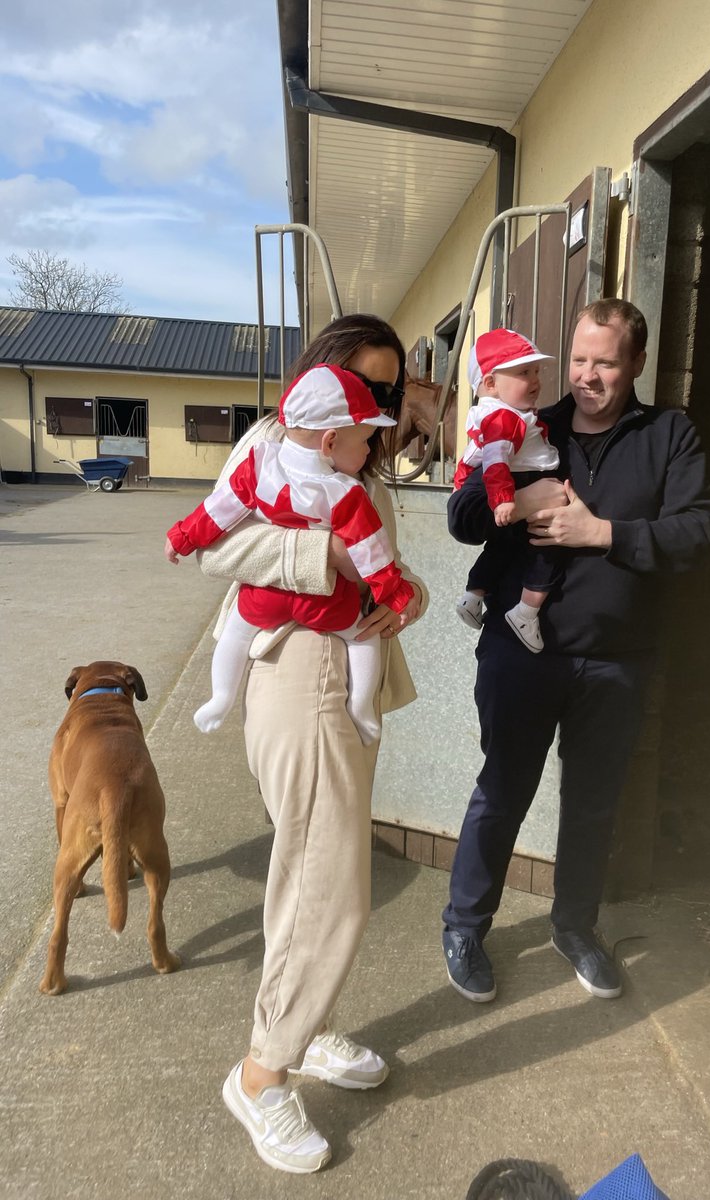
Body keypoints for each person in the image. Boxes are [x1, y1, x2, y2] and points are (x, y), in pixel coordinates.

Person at [194, 315, 427, 1174]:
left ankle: (308, 1023)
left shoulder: (362, 455)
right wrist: (324, 550)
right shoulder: (269, 442)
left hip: (346, 673)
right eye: (365, 383)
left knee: (308, 873)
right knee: (329, 887)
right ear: (324, 375)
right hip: (299, 671)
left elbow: (388, 566)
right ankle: (262, 1075)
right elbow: (217, 543)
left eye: (389, 389)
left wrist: (406, 598)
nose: (378, 403)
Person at [442, 298, 710, 1003]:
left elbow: (697, 535)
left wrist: (601, 534)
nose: (587, 375)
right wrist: (522, 503)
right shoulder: (530, 422)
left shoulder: (670, 435)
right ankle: (465, 926)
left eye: (605, 361)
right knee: (501, 790)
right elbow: (463, 519)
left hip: (616, 657)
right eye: (579, 359)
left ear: (637, 363)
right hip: (520, 653)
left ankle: (575, 927)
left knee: (592, 805)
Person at [164, 365, 415, 744]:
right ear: (330, 443)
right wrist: (398, 595)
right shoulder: (345, 491)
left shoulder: (260, 462)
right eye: (364, 440)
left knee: (235, 633)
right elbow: (373, 555)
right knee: (362, 640)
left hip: (265, 598)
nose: (367, 450)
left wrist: (181, 537)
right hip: (327, 600)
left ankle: (220, 697)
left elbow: (218, 511)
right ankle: (362, 710)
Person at [453, 328, 561, 653]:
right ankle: (527, 610)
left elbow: (474, 456)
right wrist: (503, 500)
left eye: (536, 371)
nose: (535, 380)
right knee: (549, 544)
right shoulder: (507, 418)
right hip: (525, 482)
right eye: (523, 372)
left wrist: (460, 482)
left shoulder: (489, 415)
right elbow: (496, 461)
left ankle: (473, 595)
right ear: (490, 384)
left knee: (500, 547)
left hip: (514, 486)